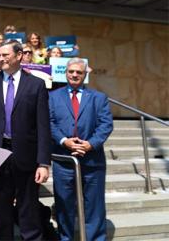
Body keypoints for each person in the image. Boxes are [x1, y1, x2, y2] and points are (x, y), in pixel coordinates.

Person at [0, 39, 51, 240]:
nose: (0, 59)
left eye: (5, 55)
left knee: (29, 208)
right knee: (1, 209)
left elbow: (43, 126)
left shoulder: (36, 84)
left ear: (19, 56)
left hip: (26, 154)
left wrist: (43, 162)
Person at [49, 58, 113, 241]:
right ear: (66, 73)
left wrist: (90, 144)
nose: (75, 75)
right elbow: (49, 123)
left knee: (94, 205)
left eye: (79, 72)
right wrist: (64, 141)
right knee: (64, 205)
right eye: (71, 71)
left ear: (85, 75)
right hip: (64, 160)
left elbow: (105, 125)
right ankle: (65, 238)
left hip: (92, 160)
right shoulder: (53, 97)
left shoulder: (99, 98)